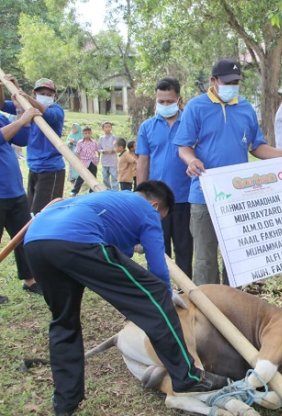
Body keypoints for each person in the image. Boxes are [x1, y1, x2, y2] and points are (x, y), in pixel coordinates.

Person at [23, 181, 228, 416]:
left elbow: (119, 252)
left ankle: (65, 402)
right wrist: (164, 293)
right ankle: (188, 377)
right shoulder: (147, 211)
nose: (158, 223)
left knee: (64, 322)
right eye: (161, 218)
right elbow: (158, 267)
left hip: (36, 241)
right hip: (76, 241)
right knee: (157, 294)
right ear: (155, 205)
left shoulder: (111, 200)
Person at [173, 59, 282, 285]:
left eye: (236, 82)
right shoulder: (196, 107)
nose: (232, 86)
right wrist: (191, 160)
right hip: (204, 196)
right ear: (213, 81)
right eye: (227, 82)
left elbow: (257, 147)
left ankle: (233, 308)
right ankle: (207, 309)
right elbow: (183, 146)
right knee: (205, 259)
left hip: (238, 197)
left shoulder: (246, 108)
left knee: (236, 259)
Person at [137, 77, 193, 277]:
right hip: (156, 201)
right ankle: (162, 291)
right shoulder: (147, 127)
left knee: (184, 249)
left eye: (170, 101)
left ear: (179, 99)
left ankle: (186, 293)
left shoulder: (190, 123)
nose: (165, 105)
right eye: (161, 101)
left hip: (185, 197)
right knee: (158, 250)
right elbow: (143, 161)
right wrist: (141, 196)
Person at [0, 75, 43, 299]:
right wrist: (22, 119)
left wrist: (19, 108)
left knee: (23, 237)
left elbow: (23, 138)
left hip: (14, 191)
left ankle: (30, 280)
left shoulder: (1, 116)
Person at [16, 78, 65, 214]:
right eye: (42, 93)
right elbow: (5, 105)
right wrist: (14, 87)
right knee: (30, 211)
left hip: (51, 170)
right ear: (35, 93)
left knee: (43, 213)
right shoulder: (29, 111)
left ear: (54, 96)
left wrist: (29, 100)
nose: (46, 97)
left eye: (49, 94)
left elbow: (48, 115)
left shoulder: (57, 111)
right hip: (34, 167)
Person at [70, 126, 99, 197]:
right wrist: (79, 161)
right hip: (84, 163)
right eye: (85, 133)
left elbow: (97, 151)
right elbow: (77, 152)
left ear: (91, 133)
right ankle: (74, 191)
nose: (87, 135)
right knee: (81, 177)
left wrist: (97, 159)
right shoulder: (80, 142)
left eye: (89, 133)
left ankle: (92, 191)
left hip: (93, 162)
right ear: (83, 134)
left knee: (93, 177)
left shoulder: (94, 142)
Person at [98, 121, 118, 190]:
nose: (108, 128)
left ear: (111, 128)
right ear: (103, 129)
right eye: (106, 127)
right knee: (105, 177)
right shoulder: (101, 138)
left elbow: (117, 148)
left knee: (114, 177)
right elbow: (99, 148)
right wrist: (103, 151)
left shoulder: (114, 137)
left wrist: (112, 150)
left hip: (113, 161)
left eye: (109, 127)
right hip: (104, 161)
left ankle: (115, 191)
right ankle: (108, 190)